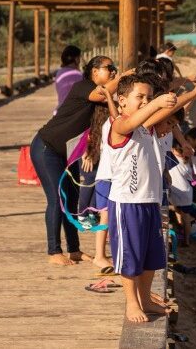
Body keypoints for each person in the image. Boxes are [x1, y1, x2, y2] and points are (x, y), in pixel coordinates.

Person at [107, 74, 196, 323]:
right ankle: (131, 303)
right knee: (130, 258)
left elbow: (166, 112)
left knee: (152, 257)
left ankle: (146, 299)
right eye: (139, 97)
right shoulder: (118, 125)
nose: (145, 101)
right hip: (127, 204)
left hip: (150, 201)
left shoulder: (146, 127)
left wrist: (194, 94)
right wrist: (158, 101)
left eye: (148, 97)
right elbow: (140, 118)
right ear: (122, 100)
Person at [31, 55, 123, 266]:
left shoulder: (100, 96)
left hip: (63, 153)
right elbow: (103, 93)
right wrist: (124, 75)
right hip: (46, 148)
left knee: (70, 201)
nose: (113, 72)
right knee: (56, 199)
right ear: (94, 71)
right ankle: (54, 251)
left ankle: (74, 250)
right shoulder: (84, 86)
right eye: (109, 68)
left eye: (114, 69)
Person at [78, 86, 118, 274]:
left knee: (109, 213)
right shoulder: (111, 123)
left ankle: (107, 253)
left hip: (112, 173)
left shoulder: (108, 122)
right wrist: (88, 152)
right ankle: (100, 255)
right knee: (106, 213)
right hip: (109, 174)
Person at [166, 138, 196, 246]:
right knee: (182, 214)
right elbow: (191, 179)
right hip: (184, 192)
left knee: (183, 215)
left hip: (179, 192)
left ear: (175, 150)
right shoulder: (186, 161)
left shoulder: (172, 159)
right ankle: (185, 238)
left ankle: (186, 239)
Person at [54, 45, 83, 109]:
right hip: (73, 112)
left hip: (60, 110)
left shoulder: (59, 72)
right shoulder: (78, 74)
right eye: (79, 58)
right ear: (76, 59)